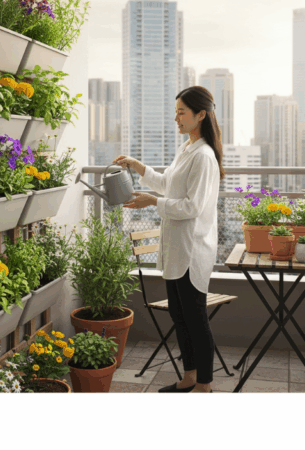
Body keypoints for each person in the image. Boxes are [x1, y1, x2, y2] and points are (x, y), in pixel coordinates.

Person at [112, 86, 226, 393]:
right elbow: (167, 185)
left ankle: (204, 384)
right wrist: (138, 166)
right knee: (180, 316)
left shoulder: (203, 156)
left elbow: (192, 207)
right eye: (175, 112)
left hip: (192, 250)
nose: (176, 118)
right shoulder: (186, 148)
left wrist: (152, 202)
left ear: (200, 115)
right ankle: (189, 376)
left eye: (181, 112)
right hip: (177, 248)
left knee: (195, 319)